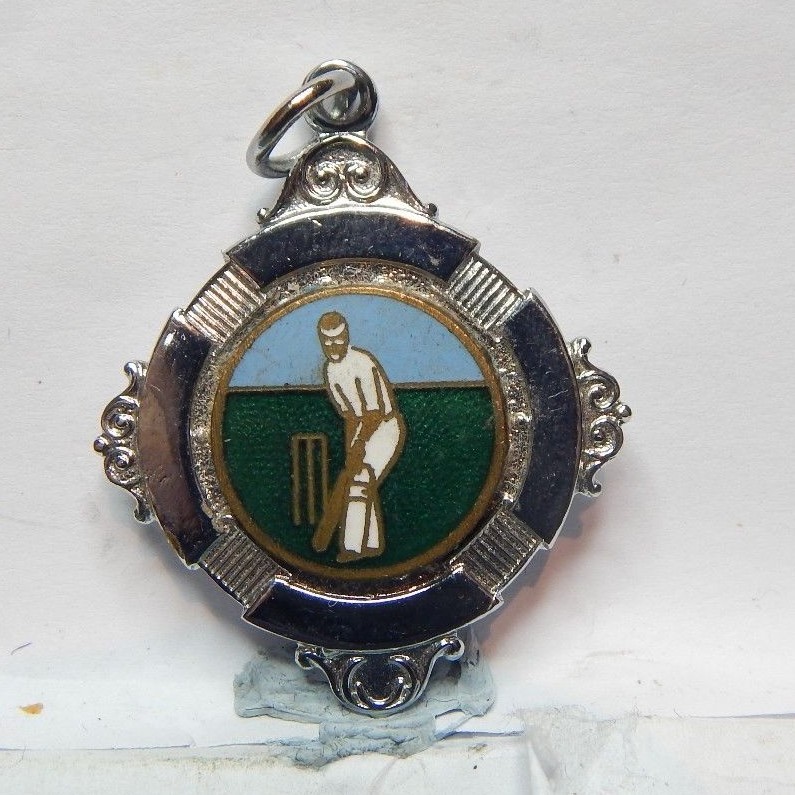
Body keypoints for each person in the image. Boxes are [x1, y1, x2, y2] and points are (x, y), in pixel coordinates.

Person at [312, 311, 406, 562]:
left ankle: (352, 548)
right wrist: (351, 450)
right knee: (362, 479)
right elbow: (350, 417)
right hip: (361, 429)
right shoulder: (330, 371)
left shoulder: (362, 362)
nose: (333, 346)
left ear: (346, 336)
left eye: (338, 339)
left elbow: (374, 413)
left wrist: (360, 445)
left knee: (360, 481)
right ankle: (371, 544)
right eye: (327, 341)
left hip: (385, 427)